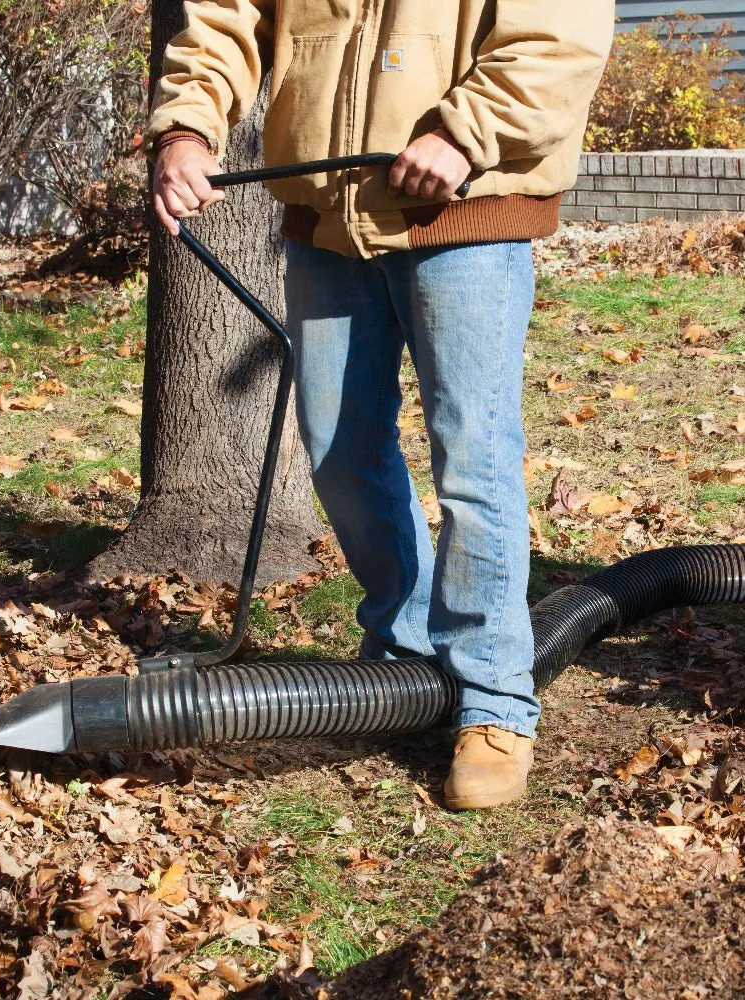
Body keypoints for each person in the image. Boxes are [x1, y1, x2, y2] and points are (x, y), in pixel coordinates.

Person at [145, 1, 615, 810]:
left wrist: (466, 131)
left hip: (466, 208)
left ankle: (496, 698)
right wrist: (185, 128)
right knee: (336, 450)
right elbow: (224, 14)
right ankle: (400, 661)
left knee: (472, 458)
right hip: (327, 219)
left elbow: (559, 33)